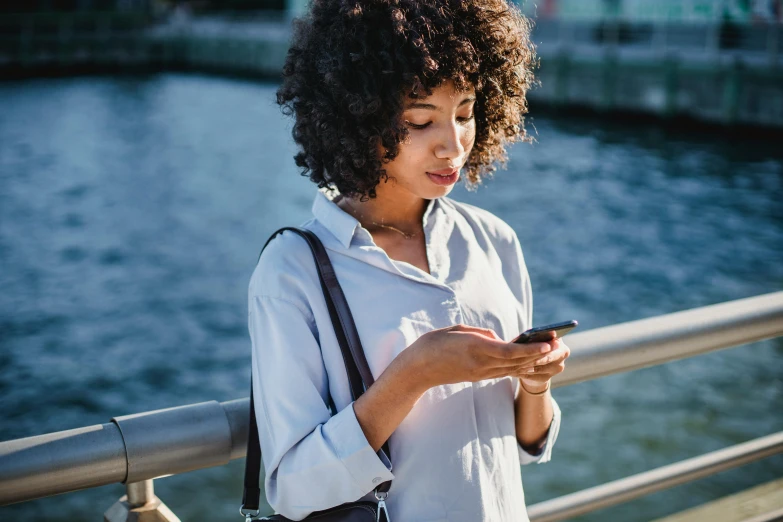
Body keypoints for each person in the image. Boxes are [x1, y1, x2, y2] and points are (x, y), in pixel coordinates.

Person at [248, 0, 571, 520]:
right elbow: (292, 487)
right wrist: (415, 373)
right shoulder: (293, 271)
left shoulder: (493, 240)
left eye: (465, 112)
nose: (453, 145)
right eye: (421, 120)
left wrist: (534, 383)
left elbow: (519, 445)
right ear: (357, 116)